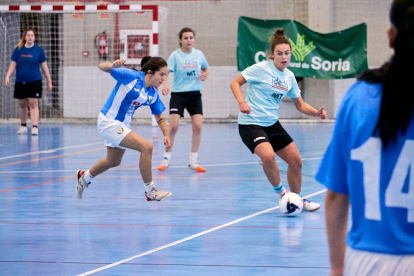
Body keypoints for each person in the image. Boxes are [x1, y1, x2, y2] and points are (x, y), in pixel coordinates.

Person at [315, 0, 414, 275]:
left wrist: (337, 267)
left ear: (391, 36)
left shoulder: (358, 98)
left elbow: (336, 195)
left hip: (367, 261)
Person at [230, 28, 327, 212]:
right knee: (267, 156)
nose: (284, 57)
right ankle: (284, 195)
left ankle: (297, 199)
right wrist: (242, 102)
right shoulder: (260, 69)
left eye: (287, 53)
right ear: (272, 55)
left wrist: (316, 112)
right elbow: (235, 83)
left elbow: (300, 105)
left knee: (296, 162)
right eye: (280, 54)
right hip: (251, 123)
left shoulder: (289, 77)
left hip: (271, 124)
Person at [76, 56, 172, 202]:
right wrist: (113, 65)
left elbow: (159, 116)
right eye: (162, 75)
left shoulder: (152, 93)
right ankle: (150, 190)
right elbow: (102, 66)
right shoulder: (132, 77)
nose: (163, 79)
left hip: (122, 125)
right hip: (109, 121)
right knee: (146, 147)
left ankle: (85, 176)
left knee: (113, 161)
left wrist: (166, 133)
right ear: (150, 72)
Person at [157, 27, 209, 172]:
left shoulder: (199, 54)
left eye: (191, 37)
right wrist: (165, 84)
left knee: (197, 126)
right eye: (185, 38)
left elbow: (205, 69)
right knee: (173, 127)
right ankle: (166, 159)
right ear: (181, 40)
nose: (189, 40)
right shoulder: (175, 55)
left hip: (195, 95)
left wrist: (205, 75)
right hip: (178, 95)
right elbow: (165, 72)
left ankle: (193, 160)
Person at [5, 28, 52, 136]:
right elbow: (13, 64)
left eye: (32, 35)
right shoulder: (18, 49)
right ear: (25, 37)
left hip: (34, 81)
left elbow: (44, 67)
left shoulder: (39, 50)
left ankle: (34, 127)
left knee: (33, 103)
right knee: (22, 104)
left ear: (34, 38)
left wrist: (49, 81)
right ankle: (23, 126)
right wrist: (7, 76)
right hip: (21, 81)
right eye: (28, 35)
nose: (30, 37)